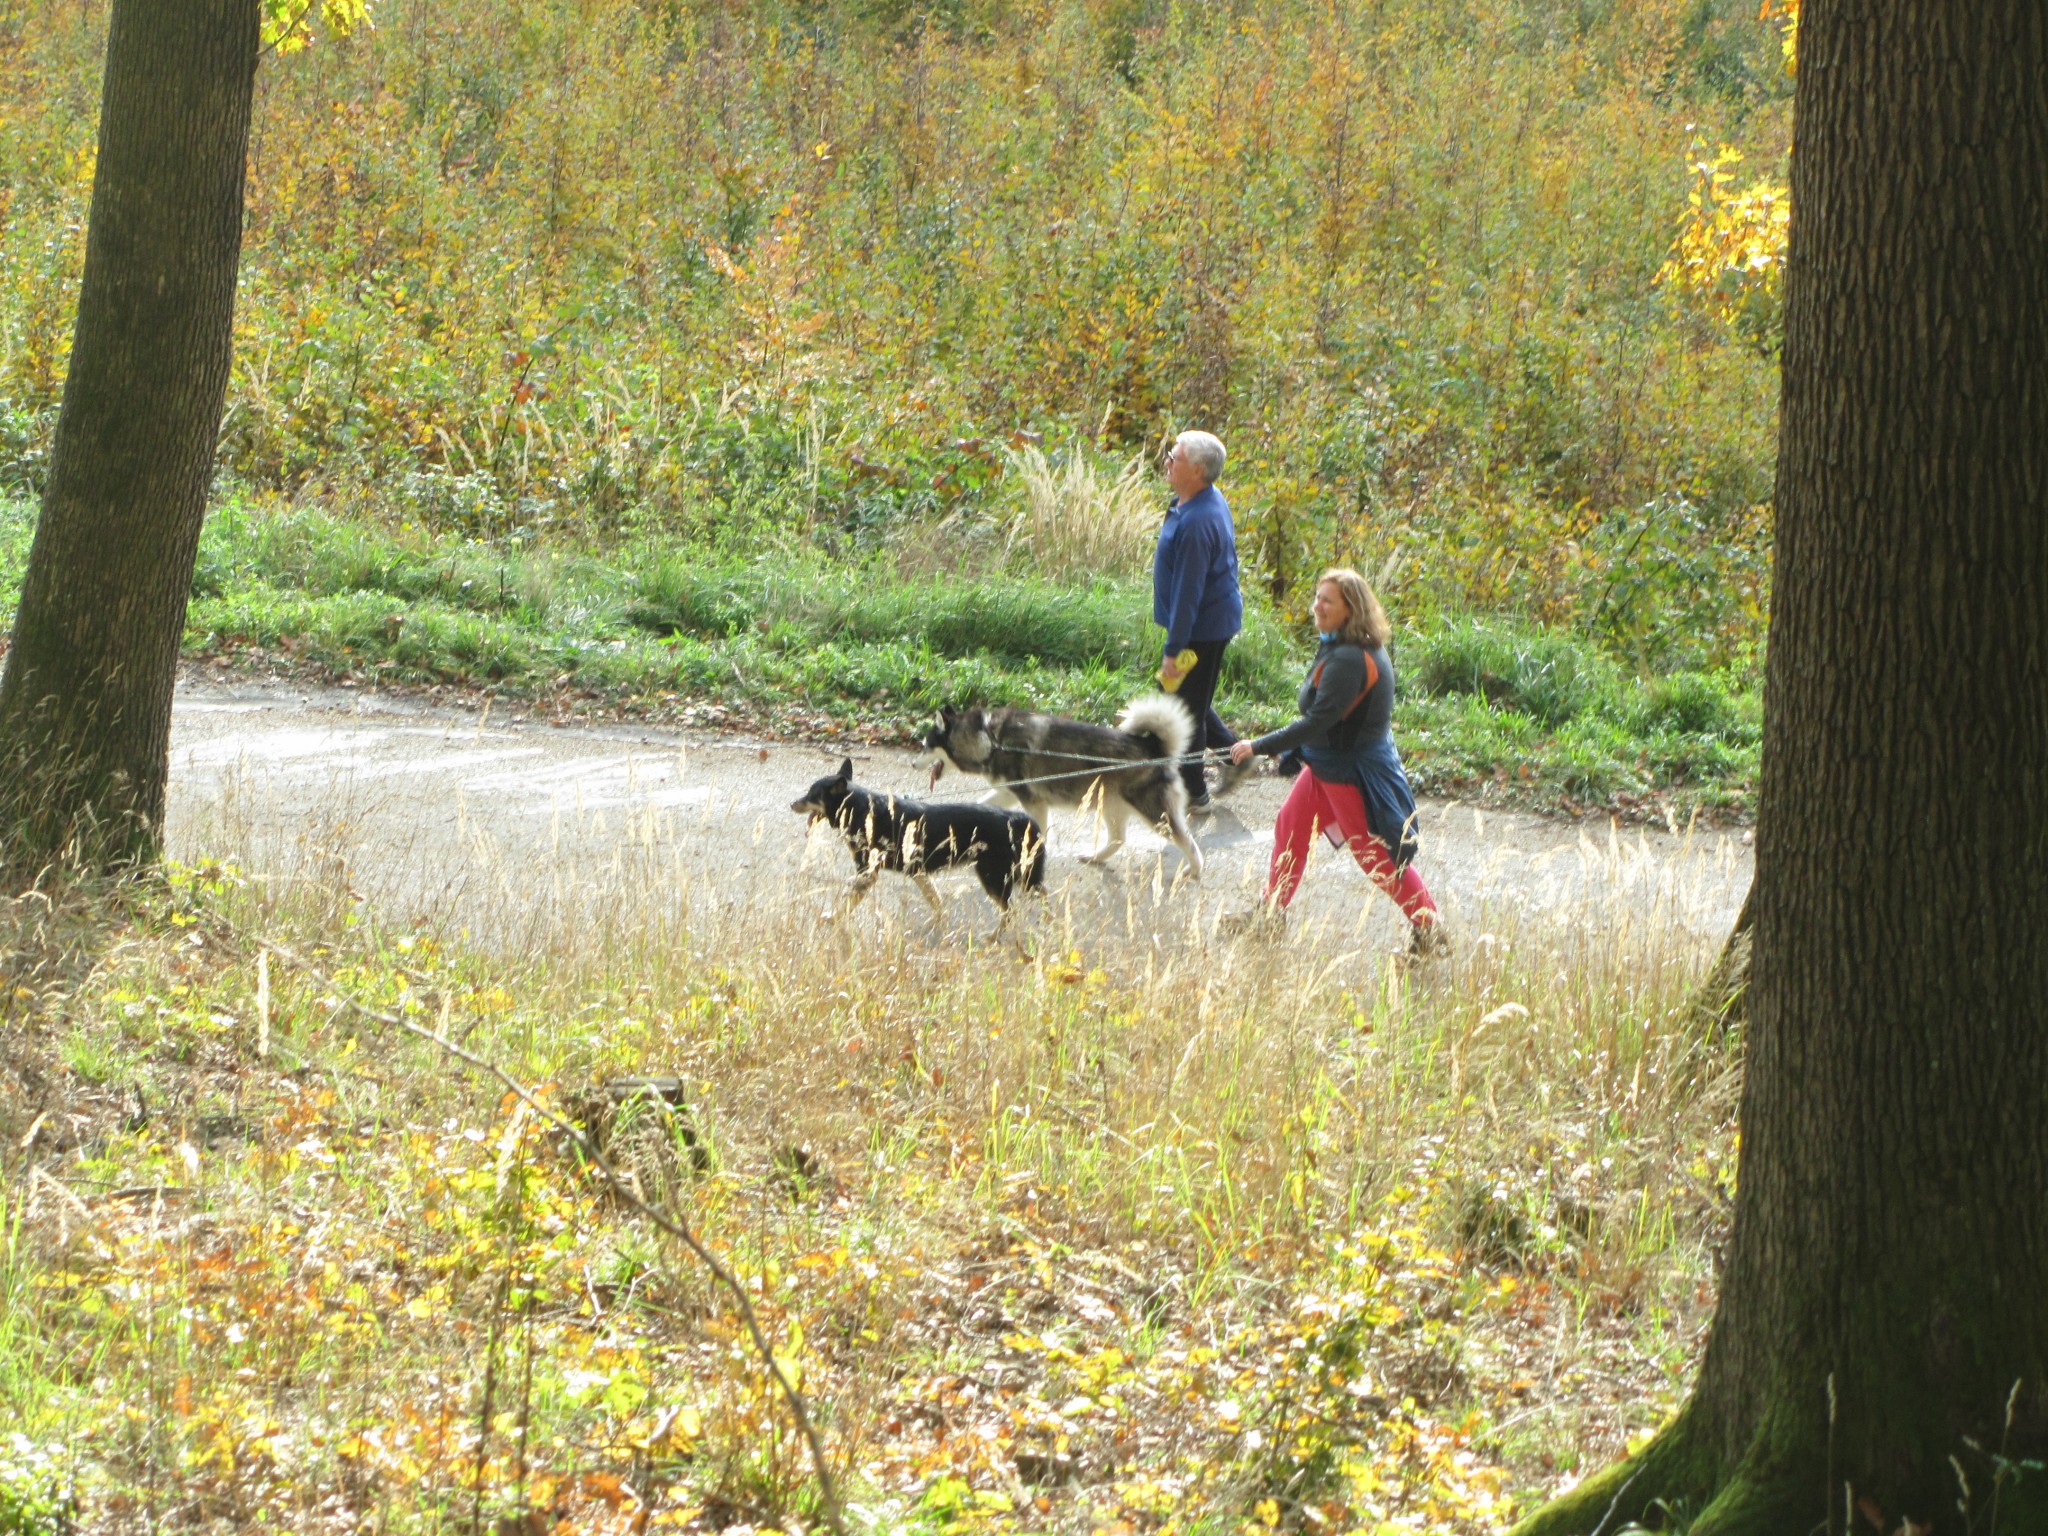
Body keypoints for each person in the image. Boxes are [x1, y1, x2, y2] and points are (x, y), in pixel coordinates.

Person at [1222, 567, 1445, 955]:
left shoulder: (1350, 659)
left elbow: (1317, 722)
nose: (1317, 606)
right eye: (1317, 597)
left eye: (1327, 601)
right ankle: (1269, 916)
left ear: (1350, 609)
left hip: (1349, 774)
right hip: (1326, 765)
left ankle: (1430, 929)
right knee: (1290, 826)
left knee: (1375, 856)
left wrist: (1258, 746)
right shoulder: (1343, 644)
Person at [1152, 429, 1246, 811]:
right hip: (1205, 621)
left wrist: (1174, 649)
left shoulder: (1197, 522)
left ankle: (1195, 793)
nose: (1166, 462)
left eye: (1173, 458)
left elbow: (1188, 595)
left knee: (1183, 708)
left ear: (1196, 470)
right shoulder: (1194, 499)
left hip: (1202, 629)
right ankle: (1236, 755)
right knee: (1188, 695)